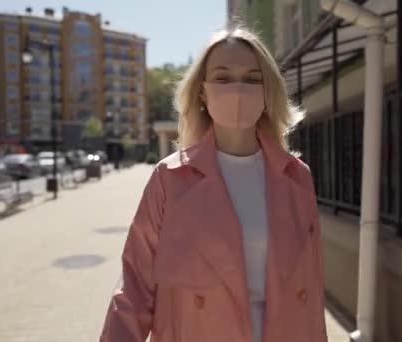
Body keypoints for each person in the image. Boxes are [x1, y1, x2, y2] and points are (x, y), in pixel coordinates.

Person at [100, 26, 326, 342]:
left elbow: (311, 293)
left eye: (251, 79)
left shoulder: (296, 177)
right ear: (203, 93)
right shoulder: (170, 178)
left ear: (267, 92)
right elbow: (135, 286)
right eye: (222, 78)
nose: (237, 89)